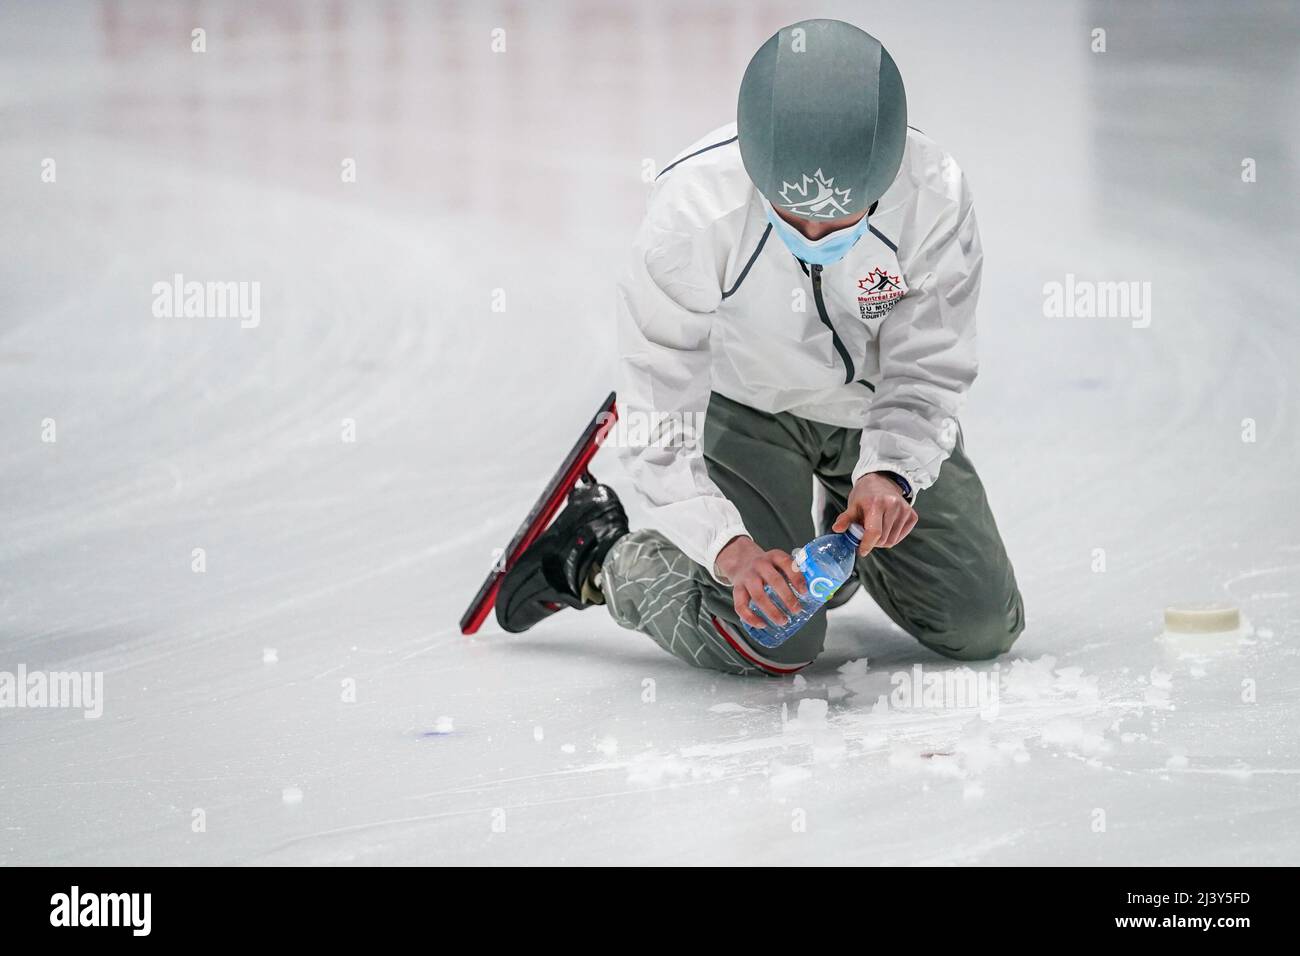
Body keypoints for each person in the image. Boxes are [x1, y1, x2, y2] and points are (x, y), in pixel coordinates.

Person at [495, 18, 1024, 677]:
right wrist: (729, 550)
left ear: (886, 177)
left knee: (981, 627)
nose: (813, 231)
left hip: (866, 412)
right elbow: (659, 399)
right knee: (775, 639)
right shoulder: (691, 211)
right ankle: (598, 555)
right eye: (789, 209)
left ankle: (834, 531)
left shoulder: (933, 197)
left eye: (841, 216)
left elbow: (929, 362)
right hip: (741, 409)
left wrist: (889, 471)